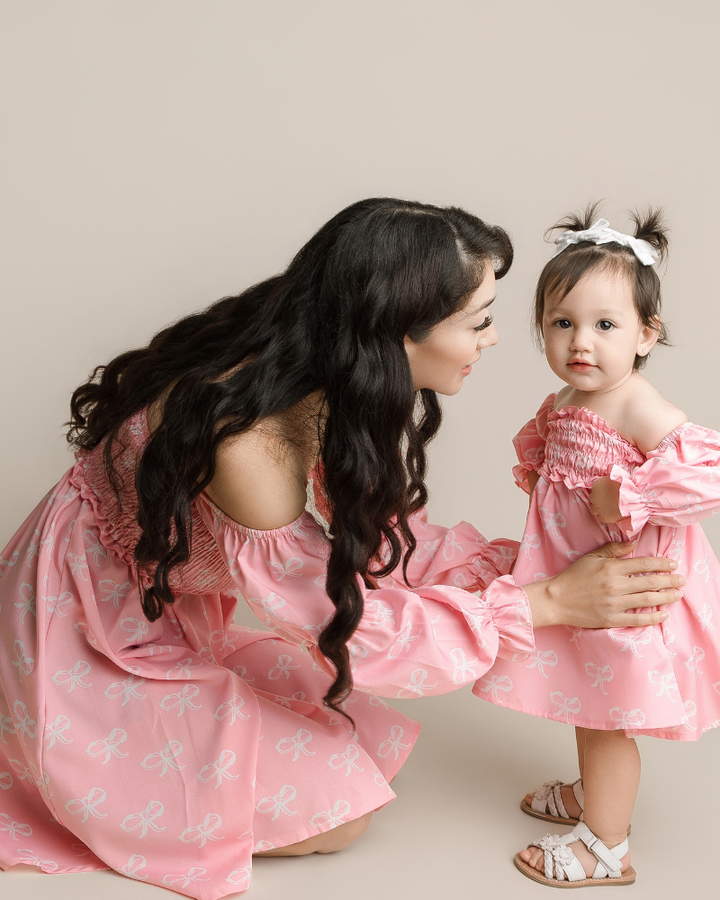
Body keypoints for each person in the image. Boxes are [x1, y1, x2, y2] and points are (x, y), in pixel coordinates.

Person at [0, 199, 683, 899]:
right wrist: (543, 602)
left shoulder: (325, 376)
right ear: (396, 331)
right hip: (76, 628)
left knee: (356, 746)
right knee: (338, 816)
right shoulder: (249, 444)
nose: (496, 339)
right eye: (478, 321)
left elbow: (380, 543)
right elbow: (344, 627)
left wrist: (522, 567)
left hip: (158, 604)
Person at [476, 207, 720, 887]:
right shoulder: (570, 397)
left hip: (622, 593)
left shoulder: (638, 404)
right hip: (577, 583)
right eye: (563, 323)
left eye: (605, 325)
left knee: (606, 718)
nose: (582, 342)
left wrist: (632, 497)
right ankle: (593, 795)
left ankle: (607, 844)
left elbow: (709, 474)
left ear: (646, 336)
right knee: (586, 700)